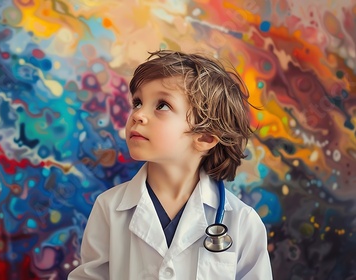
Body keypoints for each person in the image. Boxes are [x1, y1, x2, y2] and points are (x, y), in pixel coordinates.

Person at [68, 50, 273, 279]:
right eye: (137, 103)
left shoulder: (242, 222)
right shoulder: (108, 208)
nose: (138, 115)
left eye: (162, 106)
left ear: (205, 137)